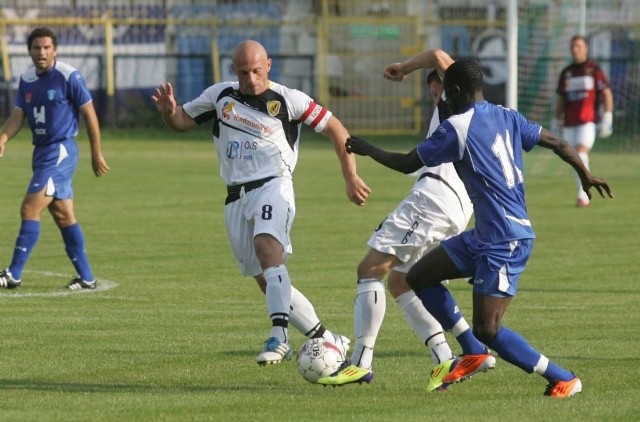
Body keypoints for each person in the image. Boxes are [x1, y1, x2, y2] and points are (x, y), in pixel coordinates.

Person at [344, 55, 613, 397]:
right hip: (484, 235)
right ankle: (470, 351)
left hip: (506, 239)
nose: (445, 101)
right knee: (418, 277)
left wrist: (366, 149)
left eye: (447, 95)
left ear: (455, 91)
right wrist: (585, 175)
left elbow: (407, 162)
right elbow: (558, 143)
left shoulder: (457, 127)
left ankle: (563, 377)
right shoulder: (507, 115)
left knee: (489, 328)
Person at [151, 39, 371, 365]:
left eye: (256, 70)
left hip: (273, 185)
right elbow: (182, 121)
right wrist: (170, 112)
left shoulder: (289, 100)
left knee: (268, 248)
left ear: (268, 65)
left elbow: (336, 129)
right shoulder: (220, 96)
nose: (251, 79)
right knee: (266, 278)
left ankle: (279, 334)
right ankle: (327, 339)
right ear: (233, 70)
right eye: (243, 72)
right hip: (234, 197)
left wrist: (350, 176)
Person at [319, 57, 494, 392]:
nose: (435, 97)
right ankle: (448, 357)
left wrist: (404, 67)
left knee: (369, 270)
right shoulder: (485, 118)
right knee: (402, 282)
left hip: (432, 200)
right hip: (456, 209)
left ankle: (360, 363)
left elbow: (440, 56)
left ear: (454, 87)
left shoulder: (455, 111)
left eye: (438, 90)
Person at [0, 27, 110, 290]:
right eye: (37, 48)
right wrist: (3, 137)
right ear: (29, 51)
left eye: (47, 47)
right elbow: (18, 116)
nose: (42, 52)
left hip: (60, 152)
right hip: (40, 152)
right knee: (63, 215)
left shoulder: (68, 76)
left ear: (55, 50)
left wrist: (96, 153)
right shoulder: (26, 79)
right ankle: (87, 278)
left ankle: (13, 274)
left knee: (29, 208)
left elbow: (90, 115)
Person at [552, 34, 614, 208]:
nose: (575, 49)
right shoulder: (567, 72)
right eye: (573, 46)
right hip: (569, 123)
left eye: (579, 46)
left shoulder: (594, 70)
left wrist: (608, 116)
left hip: (587, 122)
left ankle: (583, 197)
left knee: (581, 153)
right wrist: (556, 120)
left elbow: (606, 93)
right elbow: (562, 99)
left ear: (586, 48)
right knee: (573, 159)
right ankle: (583, 190)